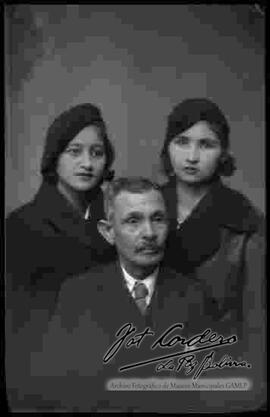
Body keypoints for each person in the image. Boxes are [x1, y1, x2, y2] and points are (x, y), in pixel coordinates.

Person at [7, 177, 211, 412]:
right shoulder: (77, 295)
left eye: (158, 219)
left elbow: (202, 392)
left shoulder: (194, 296)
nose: (149, 233)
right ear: (108, 232)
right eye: (133, 221)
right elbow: (57, 388)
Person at [160, 98, 266, 407]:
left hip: (217, 377)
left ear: (223, 154)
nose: (192, 156)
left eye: (206, 145)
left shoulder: (246, 223)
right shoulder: (145, 210)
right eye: (182, 142)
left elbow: (257, 324)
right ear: (167, 147)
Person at [6, 103, 116, 326]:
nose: (87, 163)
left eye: (96, 153)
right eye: (74, 151)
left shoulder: (118, 220)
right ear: (54, 157)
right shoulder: (21, 226)